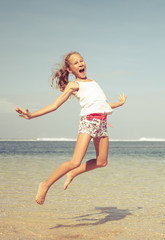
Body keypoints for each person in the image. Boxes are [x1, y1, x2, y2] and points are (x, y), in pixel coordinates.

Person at [15, 52, 127, 205]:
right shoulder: (74, 85)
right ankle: (45, 184)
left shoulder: (94, 82)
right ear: (69, 69)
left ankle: (73, 173)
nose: (80, 64)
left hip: (102, 122)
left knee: (102, 162)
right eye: (75, 63)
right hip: (88, 121)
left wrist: (119, 104)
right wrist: (32, 115)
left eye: (81, 60)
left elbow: (101, 104)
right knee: (75, 161)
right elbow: (55, 105)